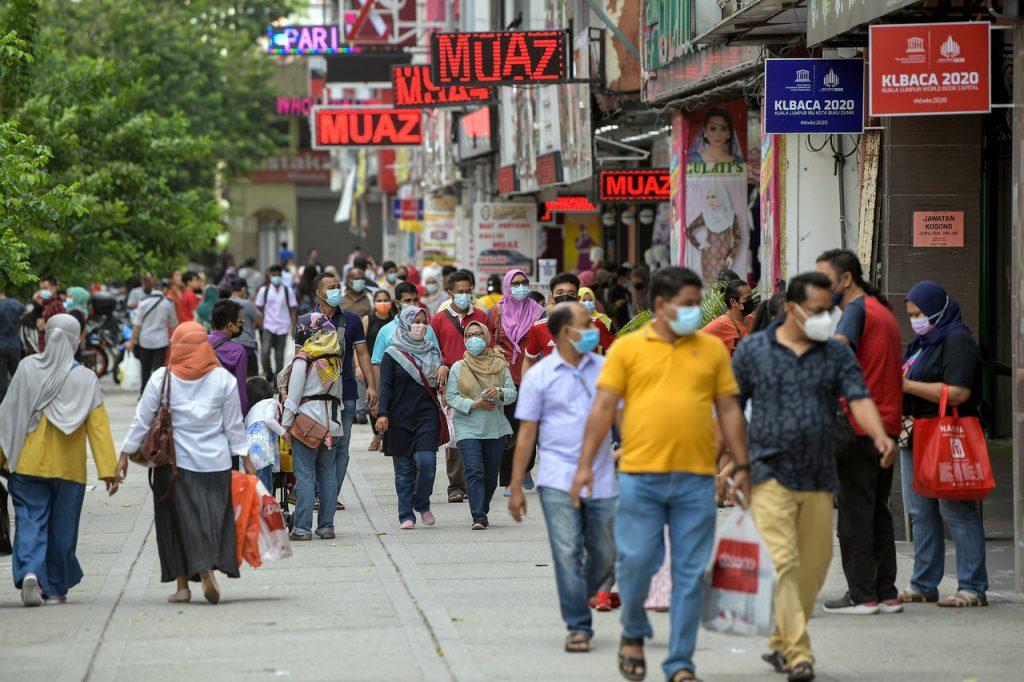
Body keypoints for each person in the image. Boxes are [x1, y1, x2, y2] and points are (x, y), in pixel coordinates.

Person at [572, 266, 751, 682]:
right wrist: (585, 467)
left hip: (695, 480)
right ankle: (633, 631)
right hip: (640, 477)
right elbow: (603, 408)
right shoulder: (628, 349)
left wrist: (741, 465)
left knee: (690, 574)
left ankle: (680, 662)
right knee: (636, 563)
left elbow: (728, 408)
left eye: (697, 304)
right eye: (687, 305)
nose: (695, 312)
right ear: (660, 304)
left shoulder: (709, 350)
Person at [731, 272, 895, 682]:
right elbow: (731, 407)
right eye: (817, 310)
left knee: (814, 567)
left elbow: (859, 397)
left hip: (820, 475)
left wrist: (879, 435)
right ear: (791, 308)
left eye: (829, 310)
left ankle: (780, 640)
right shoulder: (753, 350)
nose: (826, 317)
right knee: (784, 562)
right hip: (768, 473)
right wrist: (733, 462)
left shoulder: (835, 354)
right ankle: (799, 653)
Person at [508, 302, 615, 652]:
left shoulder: (606, 370)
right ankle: (578, 625)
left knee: (606, 553)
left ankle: (579, 594)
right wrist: (516, 485)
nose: (595, 328)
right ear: (567, 332)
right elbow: (527, 433)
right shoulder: (539, 376)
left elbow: (626, 421)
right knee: (567, 552)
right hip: (556, 478)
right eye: (587, 324)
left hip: (601, 477)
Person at [119, 322, 250, 605]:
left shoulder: (161, 378)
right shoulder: (222, 379)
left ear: (176, 346)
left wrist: (124, 455)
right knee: (212, 520)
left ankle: (184, 586)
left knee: (174, 523)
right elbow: (234, 426)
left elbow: (142, 419)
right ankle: (205, 566)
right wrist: (248, 461)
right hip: (216, 464)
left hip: (173, 465)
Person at [0, 314, 120, 606]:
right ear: (76, 342)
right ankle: (55, 589)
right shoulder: (86, 378)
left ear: (46, 337)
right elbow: (98, 428)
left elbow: (8, 415)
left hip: (27, 463)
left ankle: (30, 572)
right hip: (69, 468)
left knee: (29, 519)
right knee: (63, 527)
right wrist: (108, 469)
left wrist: (1, 456)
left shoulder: (27, 368)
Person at [815, 249, 904, 615]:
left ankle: (862, 594)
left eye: (824, 280)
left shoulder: (855, 310)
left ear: (846, 279)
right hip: (886, 425)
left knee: (854, 514)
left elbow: (836, 354)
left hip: (859, 425)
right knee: (877, 511)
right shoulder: (881, 311)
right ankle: (886, 592)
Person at [899, 280, 988, 608]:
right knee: (920, 511)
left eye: (919, 313)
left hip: (947, 434)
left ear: (938, 309)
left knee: (955, 509)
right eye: (911, 314)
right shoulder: (921, 344)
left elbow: (960, 392)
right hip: (916, 434)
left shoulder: (957, 340)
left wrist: (907, 386)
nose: (915, 320)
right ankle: (923, 583)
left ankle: (972, 587)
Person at [296, 273, 377, 513]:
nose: (337, 291)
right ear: (319, 293)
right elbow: (297, 359)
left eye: (338, 286)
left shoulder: (351, 320)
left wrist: (371, 385)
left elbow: (362, 354)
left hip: (346, 395)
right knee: (314, 443)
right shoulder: (306, 322)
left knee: (341, 448)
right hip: (313, 397)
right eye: (332, 287)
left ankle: (329, 497)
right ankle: (317, 494)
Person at [280, 313, 346, 541]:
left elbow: (293, 397)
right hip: (333, 425)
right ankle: (326, 527)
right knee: (328, 475)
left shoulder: (304, 359)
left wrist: (285, 425)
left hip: (307, 425)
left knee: (305, 476)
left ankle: (302, 528)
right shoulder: (335, 358)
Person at [375, 307, 442, 529]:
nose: (420, 326)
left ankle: (422, 502)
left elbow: (440, 383)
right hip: (399, 417)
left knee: (427, 462)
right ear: (404, 323)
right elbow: (385, 386)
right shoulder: (392, 353)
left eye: (424, 322)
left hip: (426, 415)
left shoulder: (432, 351)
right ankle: (406, 514)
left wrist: (445, 370)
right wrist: (382, 413)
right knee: (404, 470)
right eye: (415, 321)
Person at [445, 321, 515, 528]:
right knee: (474, 472)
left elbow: (512, 394)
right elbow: (451, 397)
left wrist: (499, 392)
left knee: (491, 476)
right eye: (469, 335)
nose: (473, 339)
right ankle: (478, 516)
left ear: (486, 337)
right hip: (467, 427)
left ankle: (482, 507)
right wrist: (475, 404)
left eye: (478, 334)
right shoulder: (458, 367)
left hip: (495, 428)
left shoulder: (500, 364)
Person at [430, 271, 489, 504]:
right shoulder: (439, 320)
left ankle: (477, 481)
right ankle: (456, 486)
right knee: (454, 435)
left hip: (480, 382)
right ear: (450, 293)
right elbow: (433, 351)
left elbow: (489, 346)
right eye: (460, 292)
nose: (465, 295)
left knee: (480, 431)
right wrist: (441, 374)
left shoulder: (481, 316)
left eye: (468, 291)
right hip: (452, 384)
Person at [487, 269, 545, 492]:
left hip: (532, 377)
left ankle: (525, 469)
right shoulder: (496, 311)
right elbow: (487, 340)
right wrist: (493, 350)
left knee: (531, 428)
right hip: (505, 378)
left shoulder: (539, 312)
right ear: (507, 286)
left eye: (524, 282)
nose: (520, 287)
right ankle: (510, 479)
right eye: (515, 283)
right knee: (509, 430)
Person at [522, 273, 614, 376]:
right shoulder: (538, 328)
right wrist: (526, 383)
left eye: (571, 293)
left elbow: (615, 351)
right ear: (551, 298)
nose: (565, 297)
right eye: (560, 292)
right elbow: (529, 359)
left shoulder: (594, 324)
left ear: (577, 298)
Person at [371, 281, 440, 389]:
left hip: (424, 391)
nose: (412, 304)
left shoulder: (427, 329)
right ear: (397, 303)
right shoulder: (385, 331)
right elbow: (377, 363)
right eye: (407, 301)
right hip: (396, 392)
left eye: (415, 300)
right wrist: (381, 391)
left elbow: (437, 359)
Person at [127, 277, 178, 394]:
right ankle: (157, 394)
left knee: (145, 370)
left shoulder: (143, 302)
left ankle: (143, 394)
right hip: (161, 341)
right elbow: (174, 324)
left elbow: (137, 324)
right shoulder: (168, 303)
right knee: (158, 371)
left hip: (145, 341)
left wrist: (131, 341)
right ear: (163, 290)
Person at [364, 289, 397, 451]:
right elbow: (360, 346)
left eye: (386, 300)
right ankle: (377, 433)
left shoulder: (394, 321)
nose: (383, 303)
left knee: (389, 399)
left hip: (391, 366)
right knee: (373, 399)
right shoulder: (368, 320)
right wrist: (358, 366)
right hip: (372, 366)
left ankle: (385, 435)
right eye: (379, 300)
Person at [255, 264, 298, 383]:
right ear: (270, 276)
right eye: (274, 275)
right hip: (268, 326)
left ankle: (277, 382)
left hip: (283, 327)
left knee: (279, 357)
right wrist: (259, 322)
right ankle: (268, 373)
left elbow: (293, 309)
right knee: (264, 352)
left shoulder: (288, 291)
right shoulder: (264, 290)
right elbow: (258, 307)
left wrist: (293, 326)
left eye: (279, 275)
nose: (276, 277)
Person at [208, 299, 249, 415]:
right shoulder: (237, 351)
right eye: (240, 322)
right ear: (230, 325)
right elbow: (240, 391)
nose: (241, 325)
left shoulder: (201, 342)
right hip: (224, 412)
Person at [245, 376, 282, 492]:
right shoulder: (271, 402)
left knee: (256, 489)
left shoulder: (251, 410)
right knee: (266, 489)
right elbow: (268, 420)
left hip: (250, 453)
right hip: (264, 452)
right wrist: (284, 433)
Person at [702, 279, 754, 355]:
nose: (751, 301)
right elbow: (693, 340)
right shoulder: (721, 324)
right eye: (747, 298)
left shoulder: (753, 320)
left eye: (751, 297)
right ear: (733, 302)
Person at [229, 278, 262, 377]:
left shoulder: (225, 303)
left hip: (230, 347)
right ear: (243, 289)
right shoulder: (247, 303)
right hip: (247, 345)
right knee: (252, 379)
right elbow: (260, 320)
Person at [26, 276, 66, 353]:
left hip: (54, 350)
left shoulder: (57, 304)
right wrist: (35, 302)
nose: (42, 291)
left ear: (54, 288)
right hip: (43, 348)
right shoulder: (44, 304)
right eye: (41, 289)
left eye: (45, 288)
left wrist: (46, 327)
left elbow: (63, 328)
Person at [0, 288, 23, 401]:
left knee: (1, 378)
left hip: (0, 346)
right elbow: (24, 314)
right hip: (14, 345)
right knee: (17, 375)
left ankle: (3, 403)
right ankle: (21, 399)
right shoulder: (16, 304)